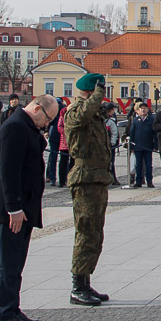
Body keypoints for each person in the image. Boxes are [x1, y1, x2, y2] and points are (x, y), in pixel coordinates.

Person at [0, 93, 54, 321]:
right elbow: (8, 171)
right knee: (9, 263)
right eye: (47, 119)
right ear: (37, 108)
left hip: (23, 208)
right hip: (12, 210)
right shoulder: (15, 127)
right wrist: (14, 208)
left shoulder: (25, 126)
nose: (47, 125)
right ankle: (5, 312)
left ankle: (13, 308)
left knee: (16, 263)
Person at [66, 75, 114, 305]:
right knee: (85, 231)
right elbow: (81, 116)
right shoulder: (75, 111)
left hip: (97, 179)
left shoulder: (94, 114)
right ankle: (77, 286)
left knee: (95, 232)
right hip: (84, 179)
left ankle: (85, 281)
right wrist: (96, 96)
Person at [126, 101, 155, 188]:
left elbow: (155, 133)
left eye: (145, 108)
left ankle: (149, 181)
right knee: (138, 165)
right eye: (141, 109)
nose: (143, 110)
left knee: (148, 165)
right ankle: (138, 181)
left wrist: (155, 146)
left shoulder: (151, 120)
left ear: (147, 110)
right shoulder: (135, 121)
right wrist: (131, 147)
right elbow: (132, 133)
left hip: (148, 146)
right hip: (138, 146)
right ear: (138, 110)